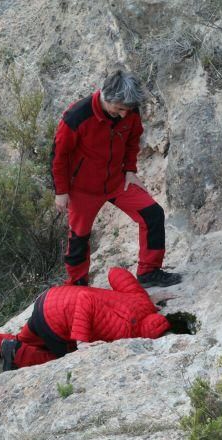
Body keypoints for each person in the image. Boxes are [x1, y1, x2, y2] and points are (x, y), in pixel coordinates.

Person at [51, 69, 182, 288]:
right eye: (119, 109)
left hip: (117, 182)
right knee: (79, 239)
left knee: (153, 215)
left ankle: (149, 272)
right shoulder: (76, 116)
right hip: (82, 190)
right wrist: (61, 191)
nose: (124, 114)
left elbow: (133, 139)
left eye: (127, 110)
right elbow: (58, 156)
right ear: (106, 96)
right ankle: (77, 285)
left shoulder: (129, 110)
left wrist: (130, 170)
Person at [0, 267, 172, 369]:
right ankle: (16, 354)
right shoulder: (127, 331)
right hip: (56, 318)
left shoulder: (140, 300)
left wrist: (150, 301)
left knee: (16, 337)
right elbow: (86, 299)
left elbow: (115, 273)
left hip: (52, 300)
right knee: (58, 359)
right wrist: (81, 343)